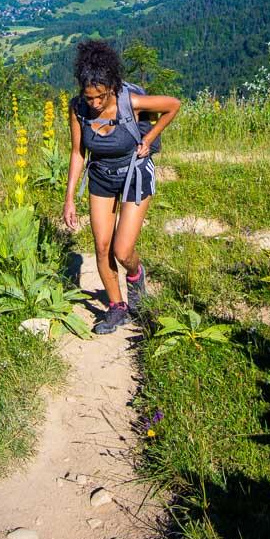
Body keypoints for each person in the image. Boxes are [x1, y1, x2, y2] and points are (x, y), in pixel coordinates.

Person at [63, 39, 180, 334]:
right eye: (89, 97)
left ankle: (135, 275)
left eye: (100, 96)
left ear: (111, 86)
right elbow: (78, 154)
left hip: (134, 173)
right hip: (101, 176)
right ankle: (117, 308)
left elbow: (172, 105)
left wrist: (150, 139)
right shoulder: (78, 109)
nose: (95, 103)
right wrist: (69, 200)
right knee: (102, 248)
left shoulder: (131, 101)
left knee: (123, 250)